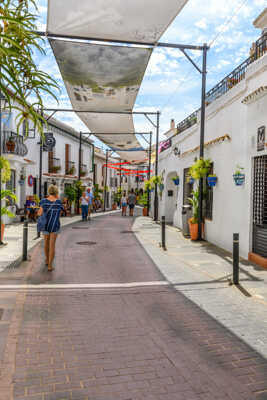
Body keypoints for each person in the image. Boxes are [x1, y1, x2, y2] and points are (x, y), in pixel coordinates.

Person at [37, 185, 63, 272]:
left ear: (49, 191)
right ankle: (50, 266)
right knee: (52, 245)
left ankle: (47, 260)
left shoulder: (43, 201)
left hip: (45, 225)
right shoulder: (58, 202)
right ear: (56, 192)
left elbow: (39, 213)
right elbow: (60, 213)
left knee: (46, 244)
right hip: (55, 225)